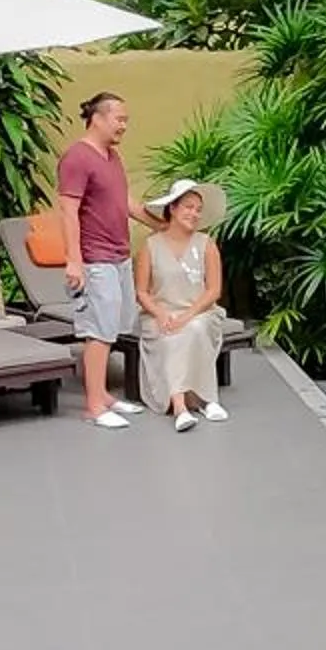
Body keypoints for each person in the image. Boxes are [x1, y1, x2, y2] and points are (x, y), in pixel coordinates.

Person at [54, 92, 167, 429]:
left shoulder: (112, 157)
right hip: (95, 258)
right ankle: (93, 406)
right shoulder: (77, 158)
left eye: (126, 120)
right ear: (98, 118)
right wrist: (74, 260)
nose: (124, 126)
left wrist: (162, 225)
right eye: (119, 119)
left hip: (118, 255)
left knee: (114, 326)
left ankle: (103, 395)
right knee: (99, 332)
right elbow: (67, 210)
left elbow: (127, 202)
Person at [133, 179, 229, 432]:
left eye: (198, 209)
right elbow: (142, 292)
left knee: (193, 329)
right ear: (172, 209)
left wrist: (186, 316)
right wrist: (161, 314)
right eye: (188, 207)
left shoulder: (207, 245)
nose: (194, 213)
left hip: (201, 312)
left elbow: (213, 291)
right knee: (172, 333)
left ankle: (201, 401)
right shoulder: (150, 246)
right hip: (159, 315)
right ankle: (183, 406)